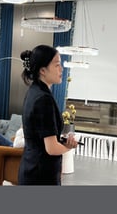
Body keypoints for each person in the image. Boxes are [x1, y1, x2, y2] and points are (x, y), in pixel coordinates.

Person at [19, 45, 79, 185]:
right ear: (43, 70)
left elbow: (39, 136)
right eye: (57, 65)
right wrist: (69, 146)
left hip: (31, 168)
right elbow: (51, 149)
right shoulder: (43, 99)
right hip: (41, 174)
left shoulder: (34, 91)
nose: (61, 69)